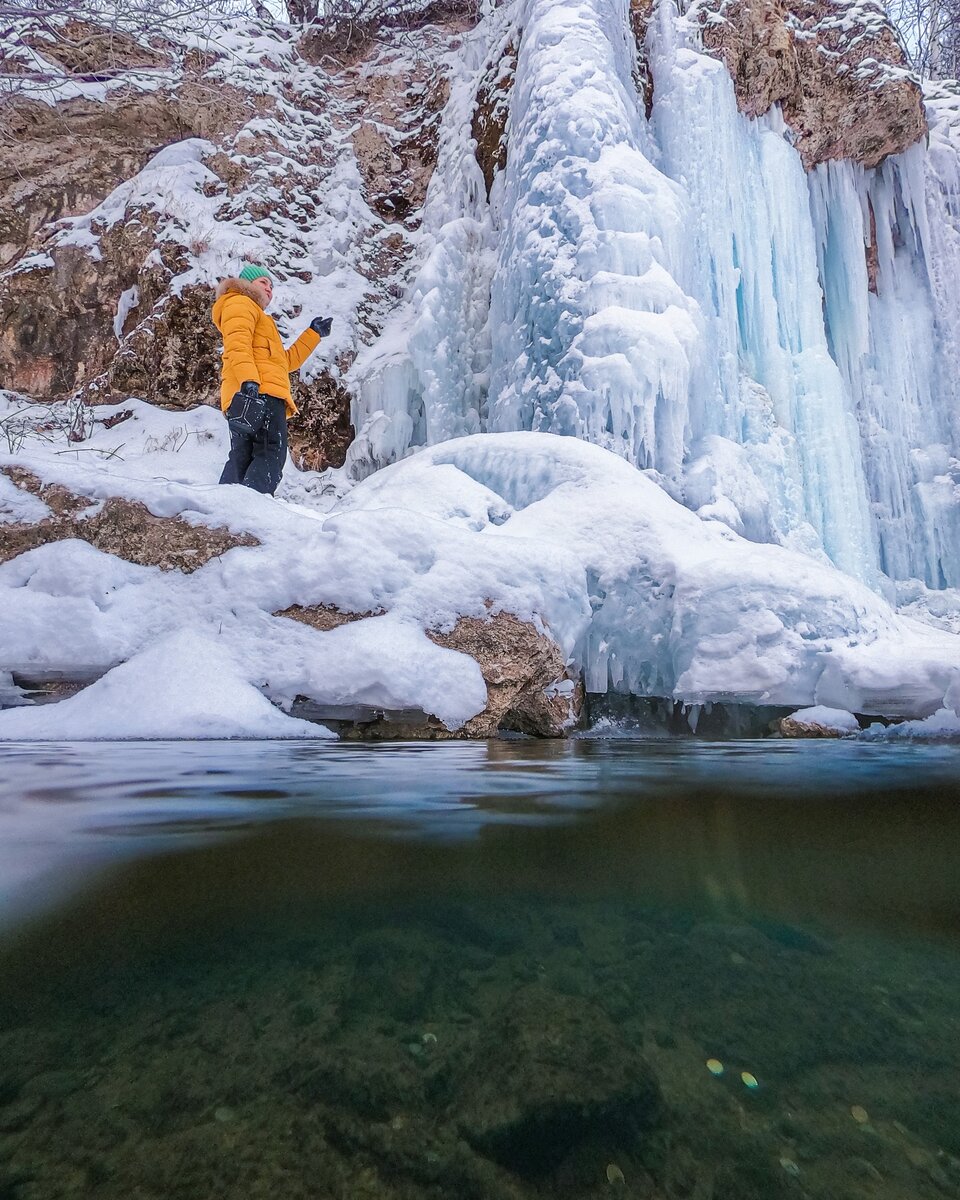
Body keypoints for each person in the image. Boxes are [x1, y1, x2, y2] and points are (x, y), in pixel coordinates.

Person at [212, 263, 333, 495]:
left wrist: (313, 334)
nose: (269, 289)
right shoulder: (240, 302)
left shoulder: (256, 315)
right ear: (246, 284)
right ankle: (252, 505)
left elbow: (285, 362)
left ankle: (223, 506)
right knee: (270, 452)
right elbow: (237, 345)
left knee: (242, 456)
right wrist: (250, 381)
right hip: (259, 392)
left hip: (249, 392)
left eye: (271, 285)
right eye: (263, 282)